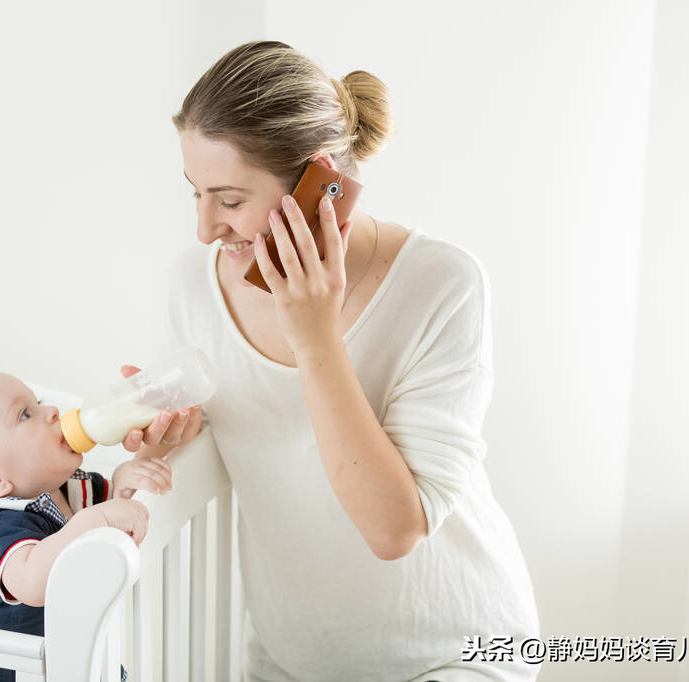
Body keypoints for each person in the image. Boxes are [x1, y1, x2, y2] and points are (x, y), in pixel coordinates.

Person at [125, 40, 542, 681]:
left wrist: (315, 336)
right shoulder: (189, 286)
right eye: (196, 194)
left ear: (323, 185)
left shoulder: (442, 283)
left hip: (457, 652)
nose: (206, 229)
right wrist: (157, 443)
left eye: (231, 200)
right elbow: (182, 450)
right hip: (293, 660)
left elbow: (392, 531)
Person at [0, 368, 179, 682]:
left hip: (81, 662)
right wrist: (95, 519)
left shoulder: (65, 488)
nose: (52, 411)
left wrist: (125, 483)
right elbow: (31, 582)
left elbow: (113, 511)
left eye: (38, 402)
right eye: (25, 415)